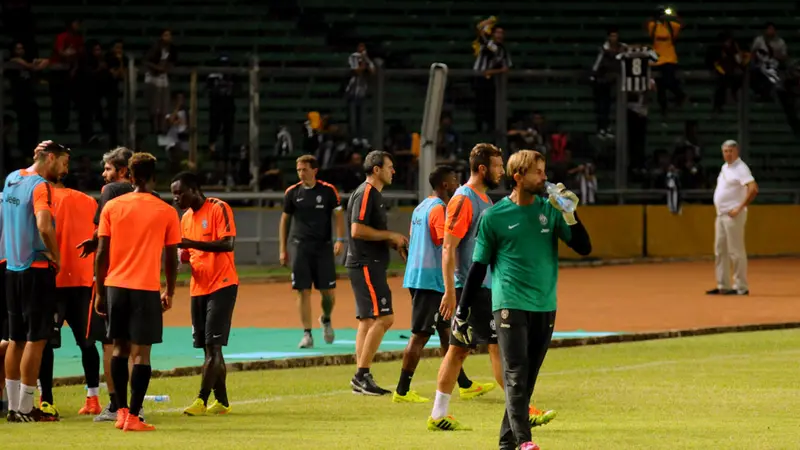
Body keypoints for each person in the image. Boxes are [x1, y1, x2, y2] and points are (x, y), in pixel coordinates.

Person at [455, 149, 591, 449]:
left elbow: (584, 247)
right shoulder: (494, 217)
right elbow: (478, 267)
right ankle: (525, 441)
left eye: (544, 172)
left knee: (526, 378)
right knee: (515, 372)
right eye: (538, 172)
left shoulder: (551, 209)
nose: (545, 178)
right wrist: (462, 310)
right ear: (518, 177)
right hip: (509, 303)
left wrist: (571, 214)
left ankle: (507, 443)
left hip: (544, 304)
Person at [426, 143, 511, 431]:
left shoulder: (485, 201)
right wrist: (450, 292)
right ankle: (521, 410)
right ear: (483, 168)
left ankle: (438, 414)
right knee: (498, 346)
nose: (502, 171)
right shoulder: (463, 199)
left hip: (483, 287)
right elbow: (448, 249)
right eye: (498, 166)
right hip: (469, 288)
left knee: (459, 350)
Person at [95, 152, 180, 432]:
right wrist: (169, 290)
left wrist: (99, 291)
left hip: (116, 287)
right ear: (155, 176)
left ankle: (119, 412)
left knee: (118, 349)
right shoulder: (166, 211)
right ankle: (134, 416)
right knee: (141, 354)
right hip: (145, 288)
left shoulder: (113, 207)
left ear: (129, 176)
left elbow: (101, 253)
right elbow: (171, 258)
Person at [76, 146, 149, 423]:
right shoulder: (146, 196)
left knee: (111, 344)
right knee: (136, 345)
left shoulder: (110, 193)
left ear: (122, 171)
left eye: (108, 169)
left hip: (114, 275)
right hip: (141, 276)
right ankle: (136, 406)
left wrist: (94, 243)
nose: (103, 174)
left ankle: (115, 404)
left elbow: (102, 233)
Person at [3, 142, 70, 422]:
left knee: (15, 339)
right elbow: (44, 225)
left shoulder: (12, 178)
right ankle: (27, 407)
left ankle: (12, 407)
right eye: (64, 163)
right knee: (36, 338)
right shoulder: (41, 186)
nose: (65, 169)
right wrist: (56, 254)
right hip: (35, 268)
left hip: (12, 269)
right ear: (50, 158)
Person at [393, 165, 472, 403]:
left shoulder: (421, 207)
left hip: (418, 276)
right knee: (419, 335)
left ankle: (465, 383)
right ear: (446, 184)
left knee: (445, 329)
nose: (458, 184)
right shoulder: (439, 208)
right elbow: (443, 240)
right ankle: (402, 390)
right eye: (455, 180)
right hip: (430, 280)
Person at [170, 171, 238, 416]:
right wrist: (181, 257)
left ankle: (201, 399)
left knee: (213, 346)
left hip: (222, 284)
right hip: (198, 287)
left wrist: (190, 244)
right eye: (174, 194)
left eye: (180, 193)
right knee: (206, 348)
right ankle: (222, 401)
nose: (176, 198)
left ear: (195, 190)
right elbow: (188, 254)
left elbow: (227, 243)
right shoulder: (185, 218)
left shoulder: (219, 208)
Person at [36, 181, 102, 419]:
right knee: (87, 343)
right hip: (83, 281)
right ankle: (93, 398)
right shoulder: (88, 200)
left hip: (53, 279)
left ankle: (46, 400)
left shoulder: (43, 200)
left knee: (45, 343)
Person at [345, 150, 408, 395]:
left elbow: (367, 231)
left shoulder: (373, 195)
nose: (394, 171)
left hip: (366, 262)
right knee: (385, 318)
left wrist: (392, 243)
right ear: (376, 169)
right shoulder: (367, 193)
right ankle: (362, 374)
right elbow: (357, 230)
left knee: (367, 320)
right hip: (365, 263)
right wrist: (391, 236)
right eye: (390, 167)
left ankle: (360, 376)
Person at [279, 155, 344, 348]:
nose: (301, 173)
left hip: (323, 247)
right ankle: (307, 334)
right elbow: (285, 220)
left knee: (328, 293)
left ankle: (325, 318)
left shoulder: (328, 190)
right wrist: (283, 248)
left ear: (314, 170)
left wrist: (340, 240)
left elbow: (338, 216)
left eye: (304, 169)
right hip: (300, 247)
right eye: (298, 170)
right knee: (302, 291)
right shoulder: (292, 192)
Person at [706, 140, 758, 296]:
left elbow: (753, 188)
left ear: (737, 152)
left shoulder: (741, 168)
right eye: (725, 151)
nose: (728, 154)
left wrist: (739, 207)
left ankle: (741, 286)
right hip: (721, 214)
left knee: (736, 251)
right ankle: (723, 285)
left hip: (733, 214)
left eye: (731, 151)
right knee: (720, 250)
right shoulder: (725, 167)